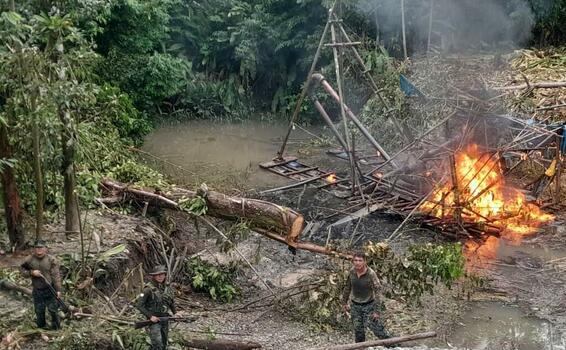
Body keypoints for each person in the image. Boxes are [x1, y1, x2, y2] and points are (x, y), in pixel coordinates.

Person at [341, 252, 390, 343]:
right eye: (355, 260)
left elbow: (378, 293)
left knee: (377, 329)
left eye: (360, 260)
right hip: (355, 306)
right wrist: (344, 303)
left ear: (365, 262)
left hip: (368, 305)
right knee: (358, 330)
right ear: (352, 261)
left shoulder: (371, 274)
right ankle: (360, 347)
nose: (357, 263)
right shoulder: (351, 272)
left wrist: (377, 311)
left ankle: (393, 344)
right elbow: (347, 287)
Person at [20, 240, 62, 330]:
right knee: (39, 311)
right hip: (37, 290)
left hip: (50, 289)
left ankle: (56, 328)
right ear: (34, 249)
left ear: (45, 249)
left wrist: (58, 290)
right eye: (37, 248)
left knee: (53, 310)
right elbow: (22, 271)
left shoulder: (51, 260)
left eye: (41, 248)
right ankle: (42, 329)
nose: (39, 250)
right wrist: (31, 272)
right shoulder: (29, 260)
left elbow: (56, 275)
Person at [136, 265, 176, 350]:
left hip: (165, 318)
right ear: (154, 276)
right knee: (157, 342)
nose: (161, 276)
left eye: (163, 274)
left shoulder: (167, 288)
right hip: (154, 320)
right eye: (158, 274)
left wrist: (176, 313)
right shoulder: (147, 289)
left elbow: (171, 301)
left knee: (164, 342)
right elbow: (139, 305)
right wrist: (150, 316)